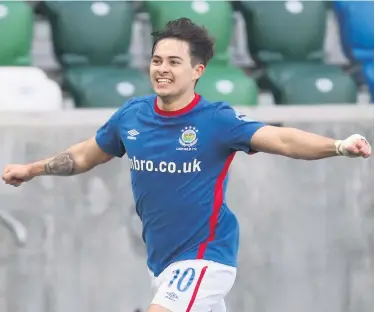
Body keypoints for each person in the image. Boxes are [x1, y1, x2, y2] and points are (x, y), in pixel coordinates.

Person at [2, 18, 371, 312]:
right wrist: (31, 169)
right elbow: (83, 155)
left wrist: (338, 145)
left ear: (197, 70)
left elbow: (282, 139)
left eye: (174, 62)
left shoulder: (216, 121)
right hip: (162, 263)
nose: (162, 69)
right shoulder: (132, 116)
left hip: (205, 256)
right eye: (157, 60)